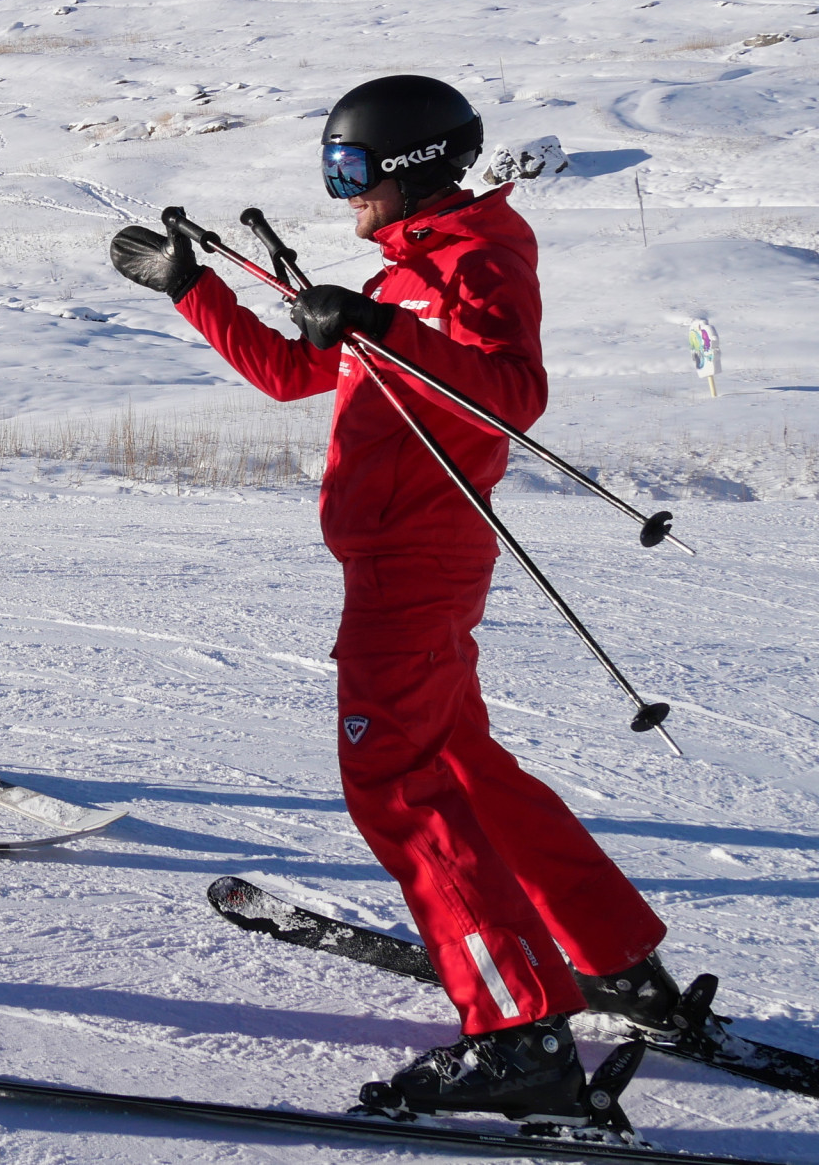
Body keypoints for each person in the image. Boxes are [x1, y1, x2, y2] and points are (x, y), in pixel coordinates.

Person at [110, 76, 684, 1123]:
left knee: (397, 779)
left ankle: (518, 1034)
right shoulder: (411, 267)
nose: (342, 193)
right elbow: (294, 372)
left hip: (418, 559)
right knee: (464, 763)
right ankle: (620, 959)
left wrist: (383, 319)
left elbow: (511, 391)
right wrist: (194, 288)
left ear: (413, 166)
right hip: (396, 555)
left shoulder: (476, 258)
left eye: (352, 170)